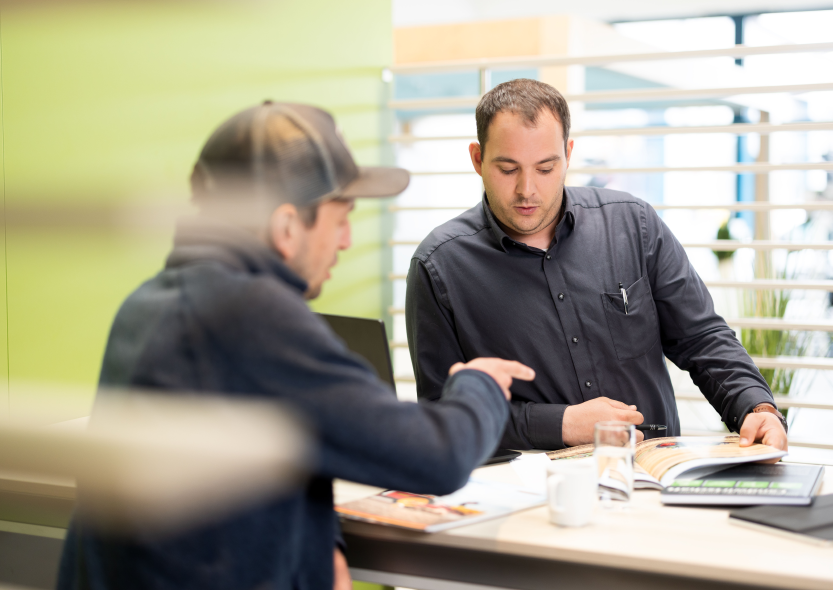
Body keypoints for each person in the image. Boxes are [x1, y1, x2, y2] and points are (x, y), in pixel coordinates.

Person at [57, 101, 535, 590]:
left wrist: (322, 540)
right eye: (341, 216)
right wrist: (476, 384)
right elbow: (437, 458)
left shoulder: (154, 301)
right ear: (287, 227)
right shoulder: (248, 314)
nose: (347, 240)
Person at [406, 79, 788, 453]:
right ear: (477, 159)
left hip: (651, 478)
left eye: (545, 168)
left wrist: (755, 406)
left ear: (568, 155)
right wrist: (561, 423)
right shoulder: (439, 267)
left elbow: (701, 337)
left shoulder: (633, 225)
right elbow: (443, 415)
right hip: (531, 495)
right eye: (508, 169)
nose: (527, 190)